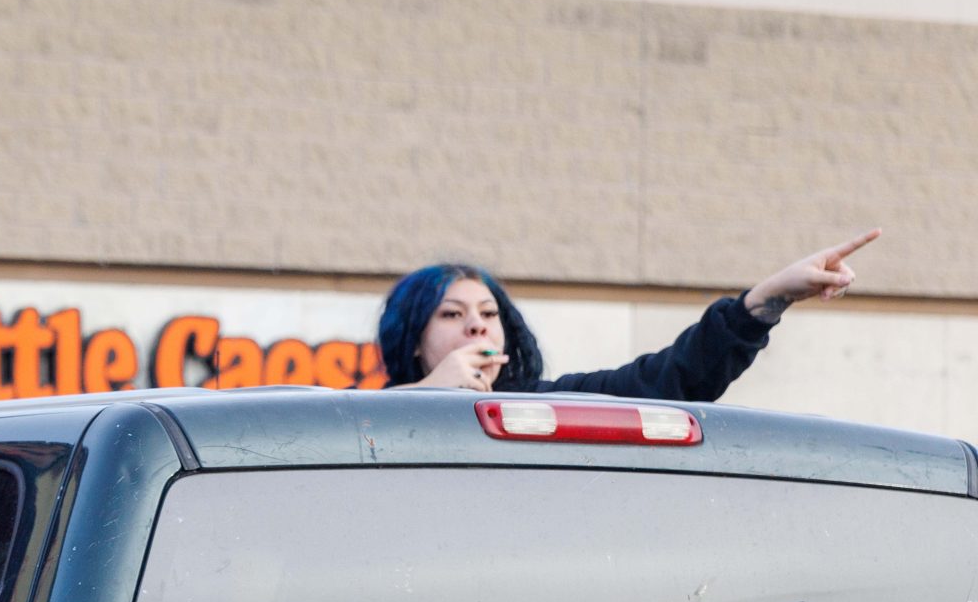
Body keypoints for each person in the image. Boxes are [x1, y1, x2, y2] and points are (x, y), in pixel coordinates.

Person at [377, 230, 880, 396]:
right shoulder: (363, 421)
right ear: (413, 343)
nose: (477, 325)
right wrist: (424, 400)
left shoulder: (544, 408)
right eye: (450, 315)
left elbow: (667, 380)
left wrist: (766, 300)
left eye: (490, 312)